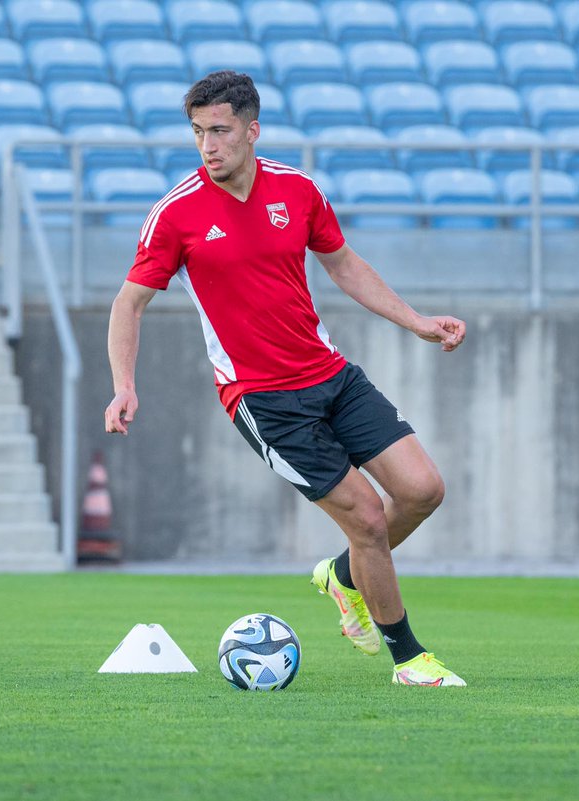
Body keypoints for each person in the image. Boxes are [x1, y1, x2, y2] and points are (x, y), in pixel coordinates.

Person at [104, 71, 468, 687]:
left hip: (331, 375)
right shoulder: (176, 213)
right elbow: (128, 303)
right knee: (367, 519)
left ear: (252, 130)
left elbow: (344, 265)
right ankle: (409, 660)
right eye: (198, 132)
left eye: (220, 131)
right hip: (264, 400)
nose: (208, 146)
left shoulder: (297, 190)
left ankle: (344, 576)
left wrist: (417, 322)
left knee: (423, 490)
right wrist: (124, 384)